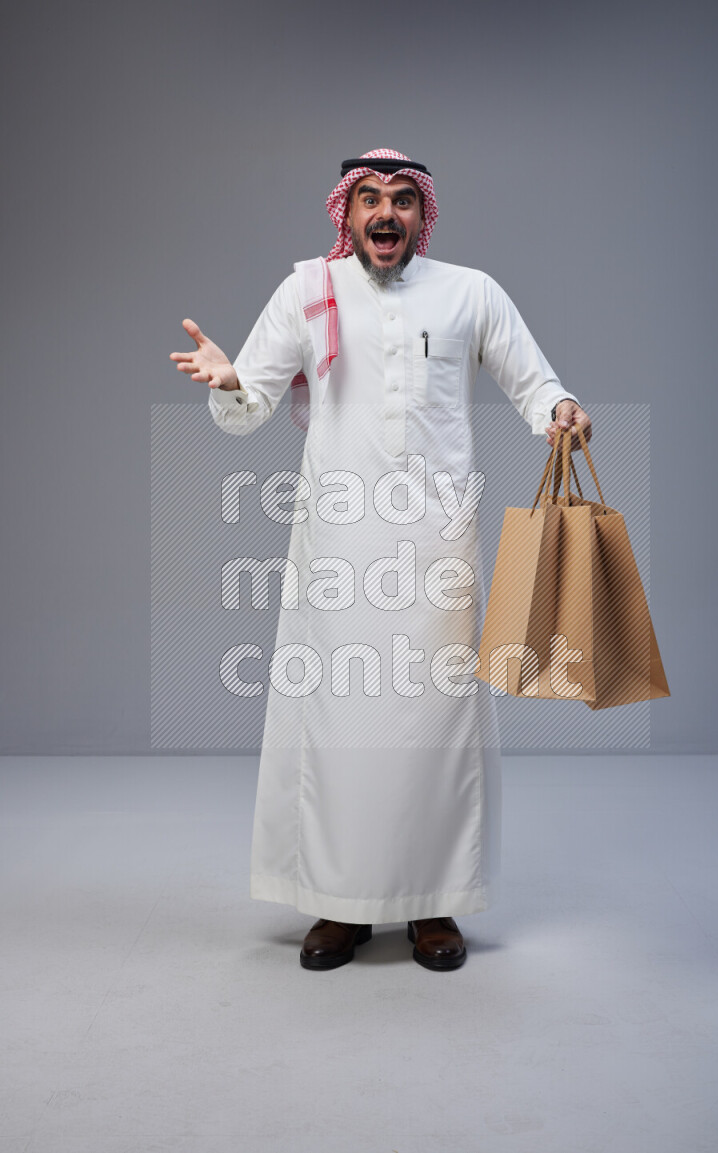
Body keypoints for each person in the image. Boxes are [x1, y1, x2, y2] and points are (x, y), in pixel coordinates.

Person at [169, 148, 592, 973]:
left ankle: (434, 904)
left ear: (422, 214)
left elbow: (535, 386)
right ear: (346, 213)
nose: (386, 214)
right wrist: (225, 381)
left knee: (434, 727)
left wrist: (564, 410)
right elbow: (247, 407)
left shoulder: (471, 292)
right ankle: (339, 903)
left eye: (401, 199)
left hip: (439, 546)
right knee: (340, 725)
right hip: (338, 545)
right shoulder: (307, 290)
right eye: (369, 199)